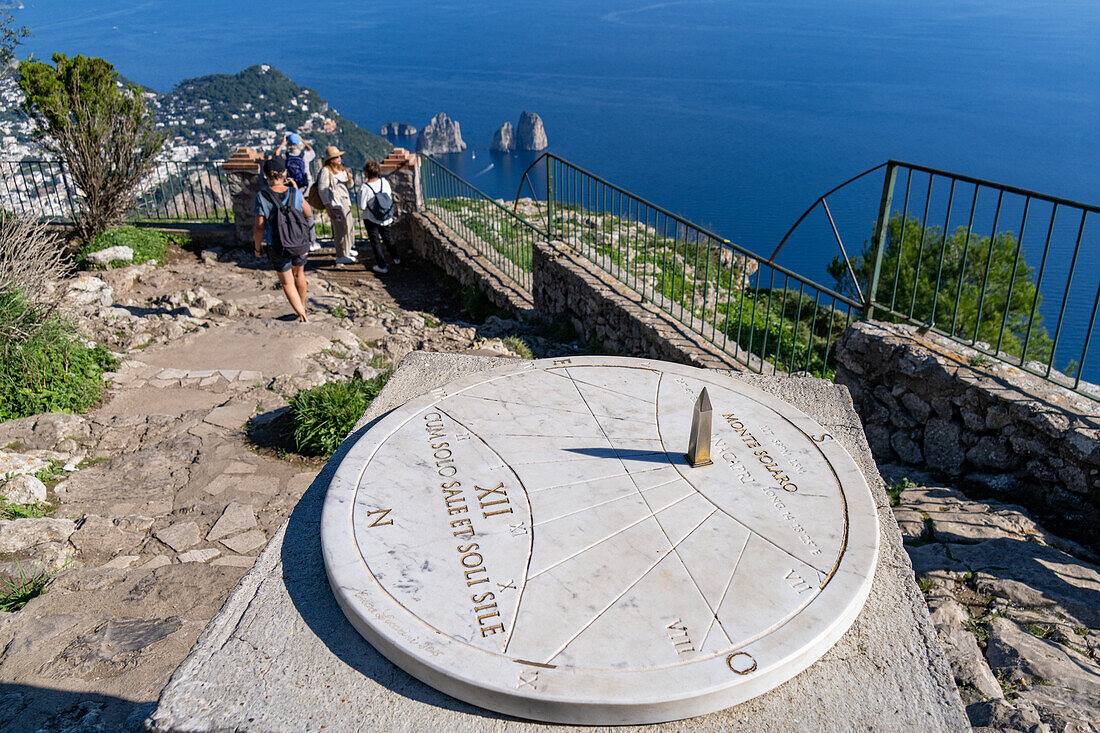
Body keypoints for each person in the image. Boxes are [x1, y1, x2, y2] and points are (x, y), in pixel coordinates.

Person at [253, 156, 312, 322]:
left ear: (266, 176)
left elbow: (259, 227)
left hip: (277, 245)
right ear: (284, 173)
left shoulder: (262, 196)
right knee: (299, 274)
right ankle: (302, 307)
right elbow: (308, 213)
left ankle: (302, 315)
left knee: (287, 282)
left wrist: (258, 247)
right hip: (299, 242)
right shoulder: (295, 193)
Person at [275, 132, 320, 251]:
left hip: (291, 189)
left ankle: (296, 239)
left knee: (293, 214)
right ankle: (312, 241)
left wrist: (282, 144)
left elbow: (276, 155)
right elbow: (313, 152)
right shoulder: (304, 154)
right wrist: (303, 141)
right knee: (308, 215)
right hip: (306, 188)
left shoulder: (285, 156)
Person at [358, 159, 400, 274]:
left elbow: (361, 206)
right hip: (385, 216)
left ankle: (382, 265)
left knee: (375, 242)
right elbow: (389, 196)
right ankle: (396, 258)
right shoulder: (384, 182)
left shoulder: (364, 188)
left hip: (371, 218)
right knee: (388, 238)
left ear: (366, 172)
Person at [318, 146, 357, 265]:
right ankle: (341, 255)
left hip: (345, 202)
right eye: (336, 157)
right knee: (340, 229)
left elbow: (349, 186)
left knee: (349, 227)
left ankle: (348, 249)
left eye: (339, 156)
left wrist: (350, 180)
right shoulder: (326, 171)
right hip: (335, 203)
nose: (339, 158)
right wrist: (328, 207)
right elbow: (322, 190)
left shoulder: (341, 170)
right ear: (331, 159)